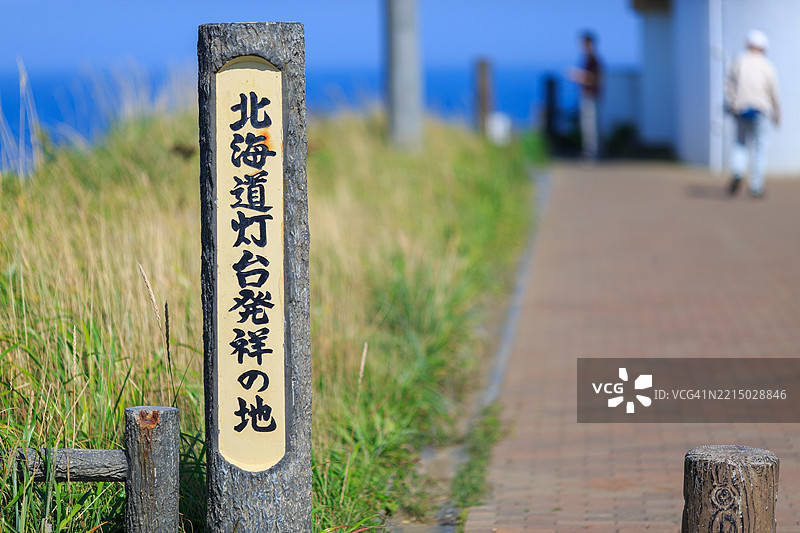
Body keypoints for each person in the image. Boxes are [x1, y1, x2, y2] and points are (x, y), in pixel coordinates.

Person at [725, 29, 781, 198]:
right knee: (759, 148)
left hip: (740, 110)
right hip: (760, 111)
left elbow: (728, 85)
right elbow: (774, 92)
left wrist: (732, 103)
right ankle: (756, 186)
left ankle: (737, 171)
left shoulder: (738, 61)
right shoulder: (767, 65)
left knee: (740, 144)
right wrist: (777, 114)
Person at [569, 31, 603, 161]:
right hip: (589, 96)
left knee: (590, 127)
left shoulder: (593, 60)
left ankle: (591, 154)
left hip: (590, 96)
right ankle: (590, 153)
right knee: (588, 126)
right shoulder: (590, 59)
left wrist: (577, 76)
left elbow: (592, 79)